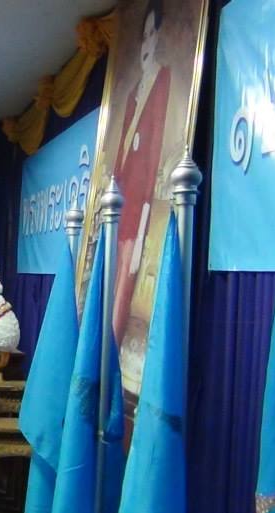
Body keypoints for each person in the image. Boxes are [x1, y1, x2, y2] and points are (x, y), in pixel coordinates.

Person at [111, 0, 171, 339]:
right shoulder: (134, 91)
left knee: (126, 279)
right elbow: (122, 151)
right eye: (143, 36)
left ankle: (111, 349)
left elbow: (155, 146)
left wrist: (146, 211)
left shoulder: (162, 80)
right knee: (113, 276)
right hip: (121, 200)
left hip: (139, 202)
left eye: (151, 34)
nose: (147, 43)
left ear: (158, 36)